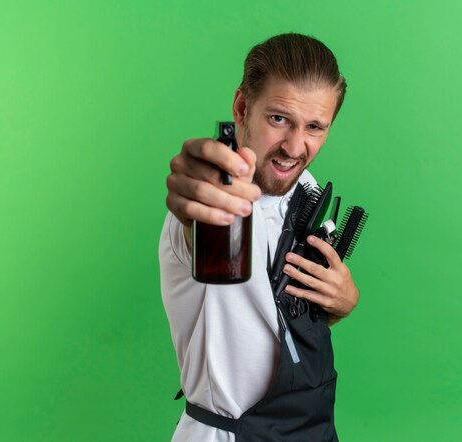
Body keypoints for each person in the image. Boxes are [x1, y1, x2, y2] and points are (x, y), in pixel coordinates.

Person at [160, 33, 360, 442]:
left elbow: (281, 319)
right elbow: (196, 211)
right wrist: (193, 192)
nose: (295, 146)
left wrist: (342, 301)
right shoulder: (218, 206)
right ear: (242, 107)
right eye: (279, 119)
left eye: (316, 127)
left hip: (313, 430)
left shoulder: (305, 188)